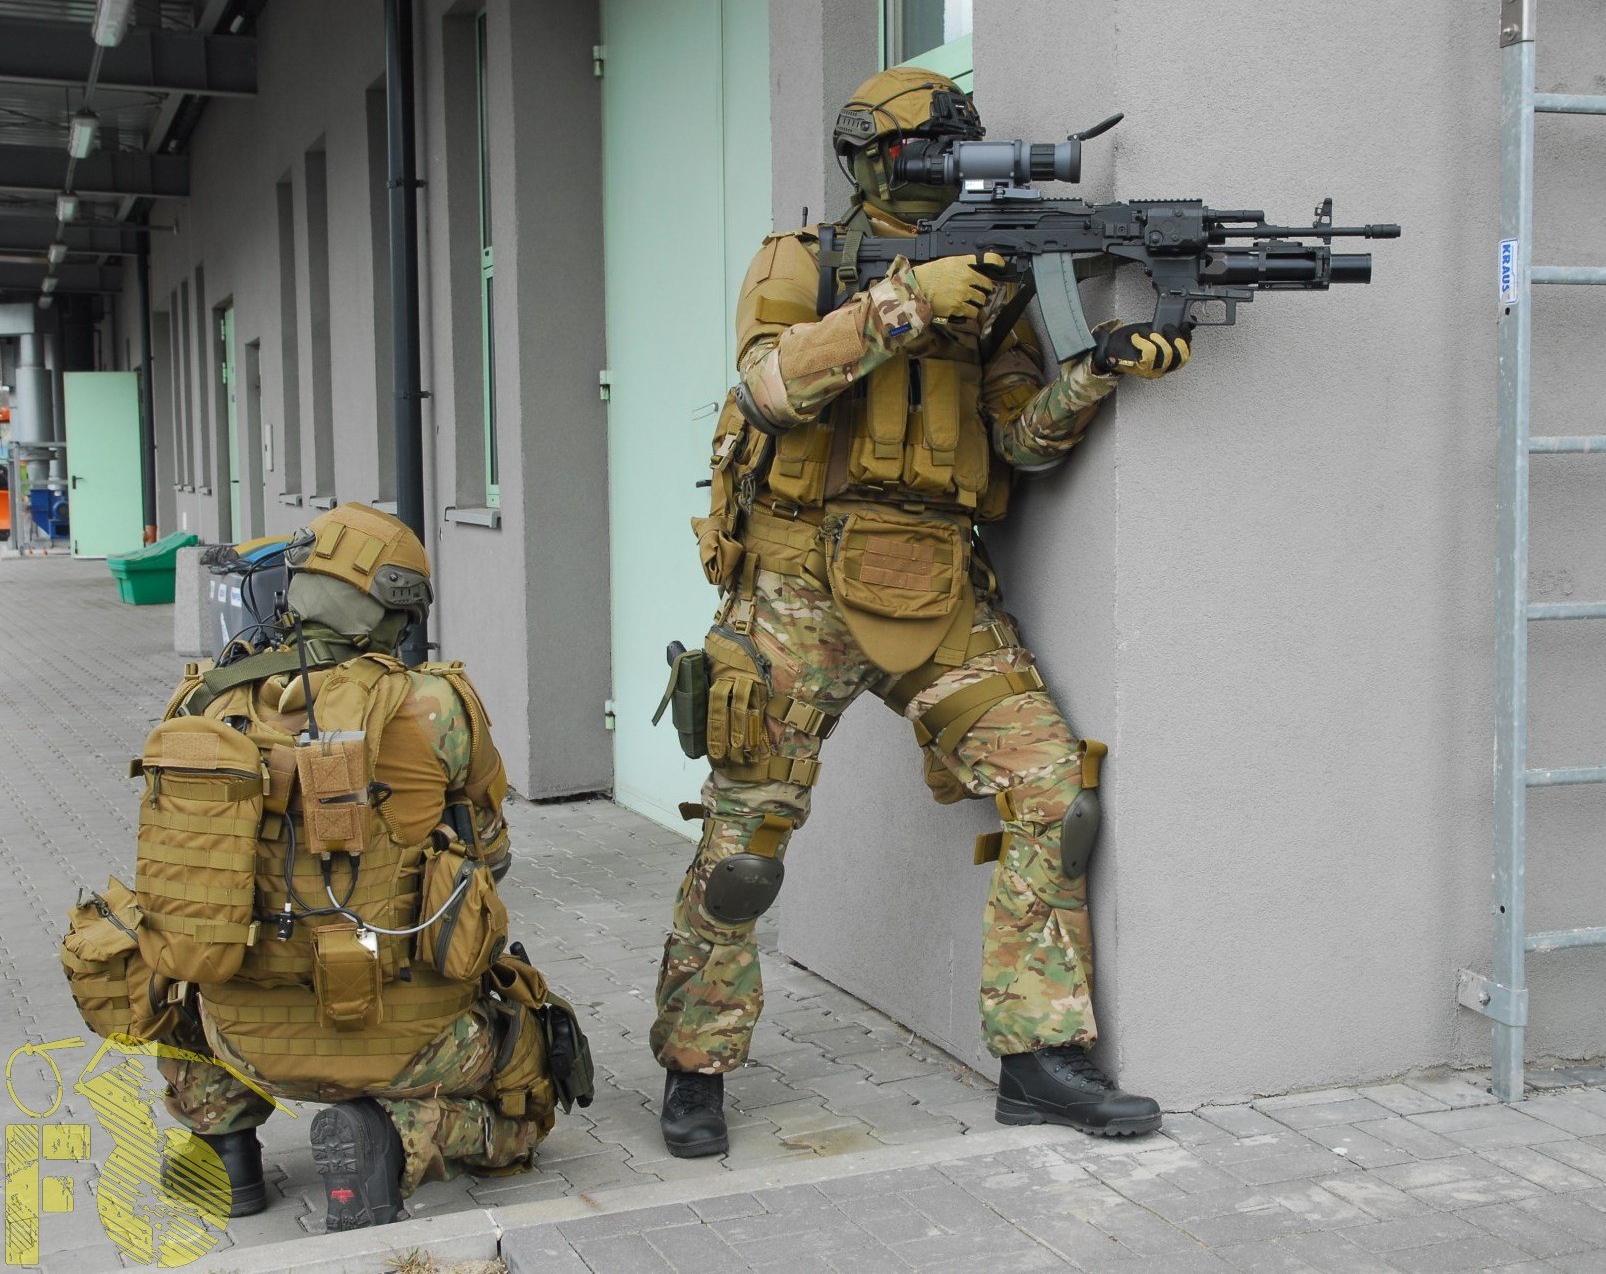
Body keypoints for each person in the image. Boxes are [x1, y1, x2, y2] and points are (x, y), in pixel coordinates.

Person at [650, 68, 1191, 1158]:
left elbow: (1021, 442)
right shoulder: (802, 260)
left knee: (1052, 789)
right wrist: (911, 299)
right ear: (868, 159)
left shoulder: (992, 282)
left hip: (938, 586)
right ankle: (694, 1065)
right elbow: (767, 387)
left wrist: (1096, 372)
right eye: (917, 153)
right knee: (746, 841)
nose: (935, 170)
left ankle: (1038, 1059)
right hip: (797, 586)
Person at [115, 503, 589, 1228]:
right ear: (396, 611)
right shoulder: (436, 705)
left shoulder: (202, 708)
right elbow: (492, 858)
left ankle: (226, 1152)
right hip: (414, 1042)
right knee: (528, 1088)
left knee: (172, 971)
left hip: (240, 1036)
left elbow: (175, 888)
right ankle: (393, 1142)